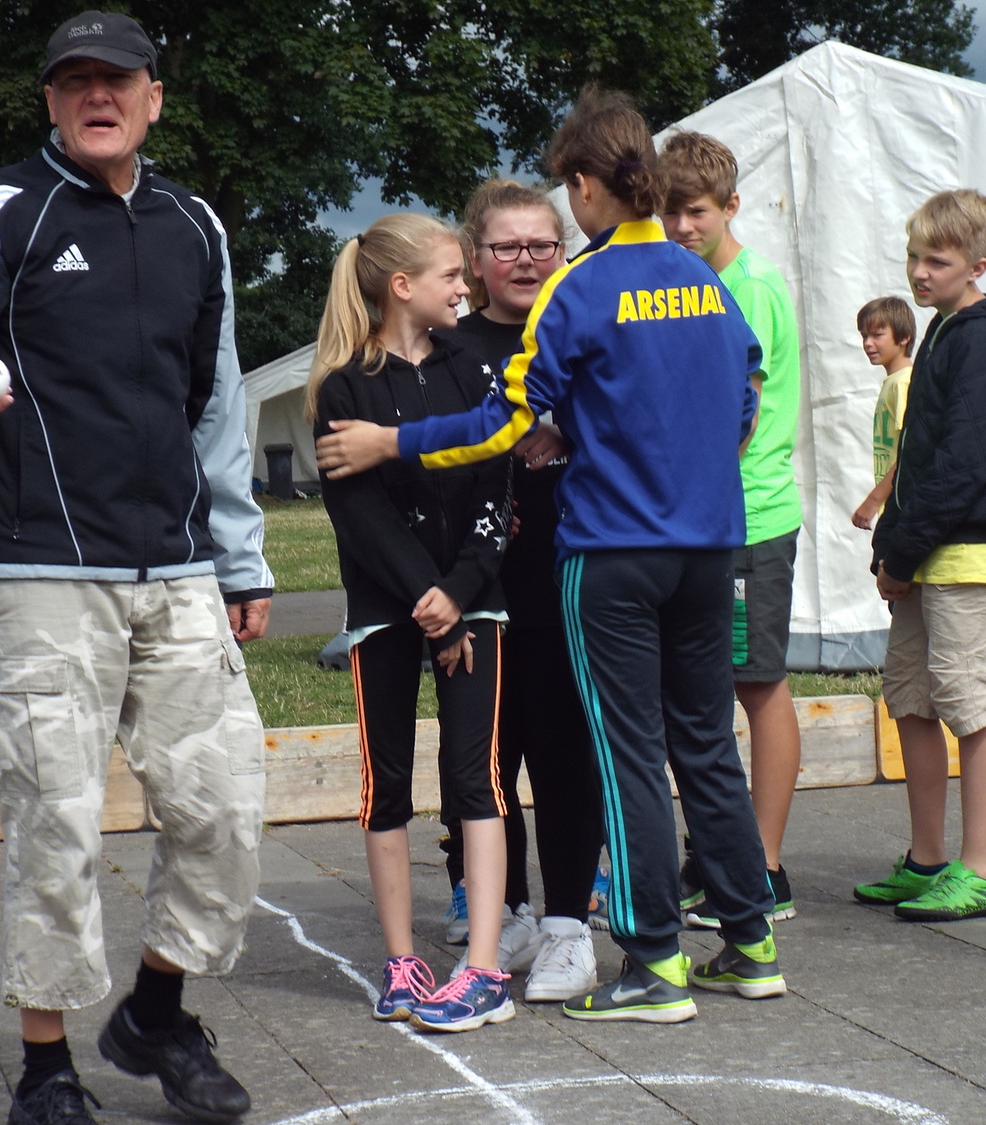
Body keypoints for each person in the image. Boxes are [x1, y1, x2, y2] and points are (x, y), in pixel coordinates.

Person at [315, 87, 784, 1024]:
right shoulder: (704, 276)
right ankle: (751, 940)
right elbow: (744, 396)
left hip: (613, 552)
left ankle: (654, 963)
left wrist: (390, 442)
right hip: (710, 544)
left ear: (583, 185)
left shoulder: (582, 285)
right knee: (704, 741)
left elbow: (506, 421)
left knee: (625, 752)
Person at [0, 12, 269, 1124]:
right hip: (42, 568)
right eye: (77, 81)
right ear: (51, 102)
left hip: (179, 567)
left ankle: (155, 1013)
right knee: (55, 825)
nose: (100, 96)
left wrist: (239, 560)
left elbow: (218, 402)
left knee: (225, 808)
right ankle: (46, 1069)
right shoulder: (1, 209)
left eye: (119, 80)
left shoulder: (195, 223)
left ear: (154, 97)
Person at [308, 212, 516, 1033]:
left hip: (473, 601)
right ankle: (401, 960)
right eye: (451, 276)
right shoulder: (343, 387)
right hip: (389, 610)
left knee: (477, 778)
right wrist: (428, 602)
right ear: (402, 286)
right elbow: (359, 515)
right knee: (385, 779)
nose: (466, 287)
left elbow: (497, 488)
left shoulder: (475, 368)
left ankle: (485, 965)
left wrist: (458, 594)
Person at [854, 188, 986, 922]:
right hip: (926, 547)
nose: (919, 271)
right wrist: (892, 548)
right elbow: (918, 454)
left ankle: (980, 870)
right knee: (910, 695)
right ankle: (929, 858)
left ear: (977, 265)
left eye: (936, 260)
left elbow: (964, 465)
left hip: (968, 549)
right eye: (914, 256)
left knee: (968, 701)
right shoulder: (942, 328)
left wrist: (901, 553)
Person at [434, 179, 603, 1003]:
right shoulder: (448, 349)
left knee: (566, 754)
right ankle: (508, 910)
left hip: (573, 580)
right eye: (507, 246)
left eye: (542, 244)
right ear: (476, 259)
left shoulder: (589, 332)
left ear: (563, 252)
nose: (527, 259)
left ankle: (570, 924)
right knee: (485, 762)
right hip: (479, 587)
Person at [658, 131, 803, 929]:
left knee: (757, 685)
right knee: (702, 690)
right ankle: (716, 850)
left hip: (750, 516)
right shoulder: (689, 282)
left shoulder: (750, 287)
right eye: (671, 212)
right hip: (705, 515)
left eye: (697, 212)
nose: (682, 227)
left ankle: (764, 868)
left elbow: (735, 419)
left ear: (732, 206)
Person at [850, 297, 916, 531]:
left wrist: (873, 500)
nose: (868, 343)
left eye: (877, 335)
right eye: (864, 336)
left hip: (904, 508)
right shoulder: (893, 382)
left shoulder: (903, 384)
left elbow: (910, 452)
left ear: (904, 337)